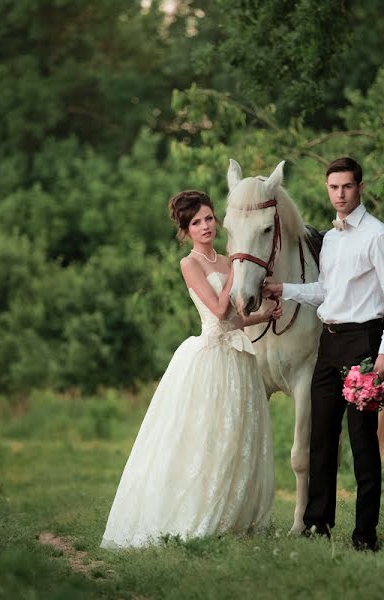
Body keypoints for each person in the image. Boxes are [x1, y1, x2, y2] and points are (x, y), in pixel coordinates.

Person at [101, 190, 282, 549]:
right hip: (210, 358)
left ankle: (234, 516)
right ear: (185, 230)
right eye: (196, 222)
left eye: (209, 218)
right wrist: (238, 267)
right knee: (206, 437)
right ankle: (194, 514)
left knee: (236, 438)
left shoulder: (230, 259)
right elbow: (218, 310)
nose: (205, 227)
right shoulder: (191, 264)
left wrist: (265, 314)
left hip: (239, 359)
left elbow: (239, 319)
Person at [262, 157, 384, 551]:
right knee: (321, 439)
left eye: (346, 186)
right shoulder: (330, 238)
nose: (340, 194)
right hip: (329, 344)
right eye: (333, 187)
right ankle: (317, 525)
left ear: (360, 187)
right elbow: (326, 292)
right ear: (327, 190)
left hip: (363, 342)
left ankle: (364, 535)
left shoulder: (378, 236)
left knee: (362, 444)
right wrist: (285, 289)